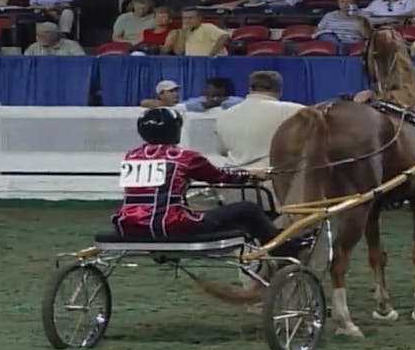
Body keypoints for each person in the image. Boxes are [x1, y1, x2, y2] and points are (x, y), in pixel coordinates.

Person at [111, 107, 302, 256]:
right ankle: (280, 248)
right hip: (172, 225)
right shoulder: (185, 157)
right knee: (247, 209)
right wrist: (250, 174)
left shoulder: (132, 156)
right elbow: (220, 177)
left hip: (128, 223)